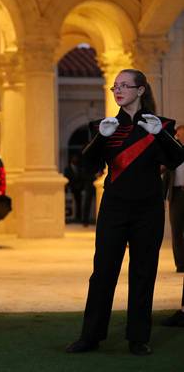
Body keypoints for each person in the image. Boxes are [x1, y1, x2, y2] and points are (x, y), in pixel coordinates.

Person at [66, 69, 184, 356]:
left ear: (141, 90)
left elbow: (177, 158)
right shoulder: (102, 126)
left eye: (124, 86)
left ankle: (138, 337)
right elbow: (85, 166)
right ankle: (90, 336)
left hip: (148, 208)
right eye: (114, 87)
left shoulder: (163, 125)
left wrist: (162, 136)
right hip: (114, 207)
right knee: (103, 272)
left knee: (144, 272)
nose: (117, 91)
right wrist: (99, 140)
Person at [163, 125, 184, 272]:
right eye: (179, 134)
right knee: (176, 230)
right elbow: (165, 175)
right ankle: (180, 264)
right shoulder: (172, 153)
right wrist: (162, 198)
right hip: (176, 195)